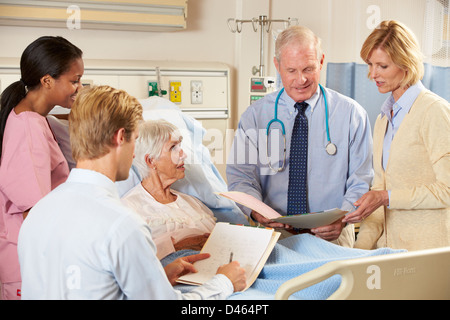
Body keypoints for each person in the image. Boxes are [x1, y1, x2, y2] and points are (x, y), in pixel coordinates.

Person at [17, 85, 246, 299]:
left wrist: (159, 275)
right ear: (119, 138)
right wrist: (224, 282)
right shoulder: (123, 225)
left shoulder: (38, 214)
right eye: (135, 139)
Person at [226, 25, 373, 247]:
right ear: (277, 66)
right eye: (291, 70)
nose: (301, 79)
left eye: (309, 69)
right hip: (273, 232)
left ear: (321, 61)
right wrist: (256, 211)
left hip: (332, 233)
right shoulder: (255, 117)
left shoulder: (352, 114)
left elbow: (360, 179)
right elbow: (241, 176)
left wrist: (342, 219)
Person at [343, 20, 450, 251]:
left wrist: (386, 197)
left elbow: (447, 190)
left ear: (406, 64)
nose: (372, 74)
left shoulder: (434, 111)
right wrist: (356, 253)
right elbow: (379, 199)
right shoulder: (383, 119)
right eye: (370, 65)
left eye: (382, 66)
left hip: (429, 251)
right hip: (391, 252)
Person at [0, 36, 83, 300]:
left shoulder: (36, 119)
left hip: (30, 257)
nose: (79, 87)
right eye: (74, 80)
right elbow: (34, 213)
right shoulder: (27, 129)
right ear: (47, 81)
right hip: (26, 262)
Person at [122, 119, 216, 260]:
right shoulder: (130, 208)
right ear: (151, 161)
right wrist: (176, 247)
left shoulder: (194, 204)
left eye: (180, 146)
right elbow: (130, 260)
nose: (183, 154)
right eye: (173, 148)